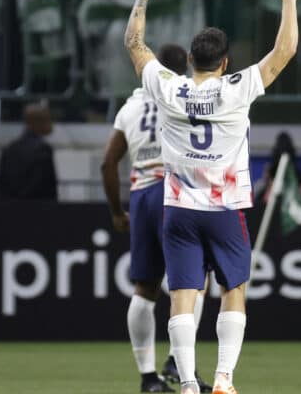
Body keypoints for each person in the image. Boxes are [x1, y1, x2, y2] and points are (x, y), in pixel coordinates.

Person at [124, 0, 300, 394]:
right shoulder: (238, 87)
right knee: (233, 290)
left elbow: (134, 44)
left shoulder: (168, 87)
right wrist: (290, 0)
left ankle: (187, 383)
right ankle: (223, 378)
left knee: (183, 293)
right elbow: (284, 51)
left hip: (179, 209)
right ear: (225, 63)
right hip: (225, 209)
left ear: (188, 59)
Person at [101, 43, 212, 393]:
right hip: (175, 190)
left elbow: (108, 163)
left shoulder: (130, 107)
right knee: (195, 283)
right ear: (186, 66)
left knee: (145, 289)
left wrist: (118, 211)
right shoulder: (182, 95)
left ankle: (149, 378)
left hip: (141, 195)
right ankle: (178, 365)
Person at [0, 104, 57, 200]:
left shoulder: (10, 149)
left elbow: (1, 185)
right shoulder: (43, 150)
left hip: (10, 209)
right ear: (39, 122)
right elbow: (47, 188)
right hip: (37, 209)